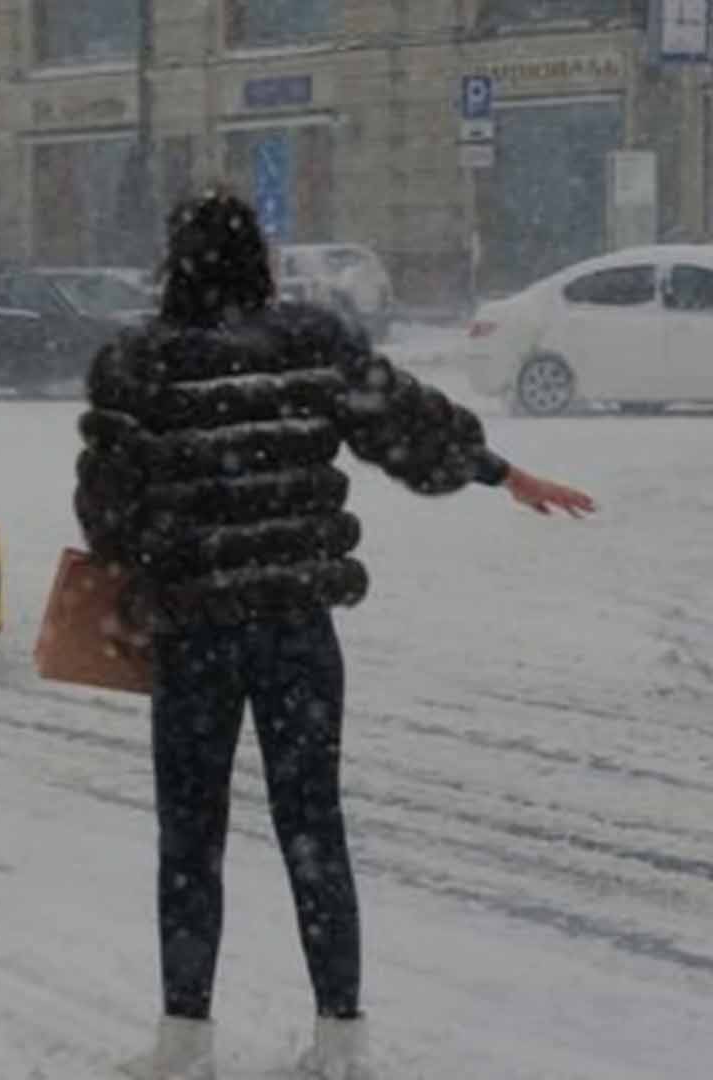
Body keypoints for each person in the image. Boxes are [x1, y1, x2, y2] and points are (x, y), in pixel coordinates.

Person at [76, 191, 594, 1080]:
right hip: (295, 632)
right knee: (313, 828)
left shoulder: (138, 366)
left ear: (174, 264)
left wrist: (161, 545)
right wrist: (499, 472)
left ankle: (184, 1045)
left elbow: (108, 516)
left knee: (189, 838)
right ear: (261, 264)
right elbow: (405, 426)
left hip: (195, 637)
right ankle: (342, 1041)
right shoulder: (310, 345)